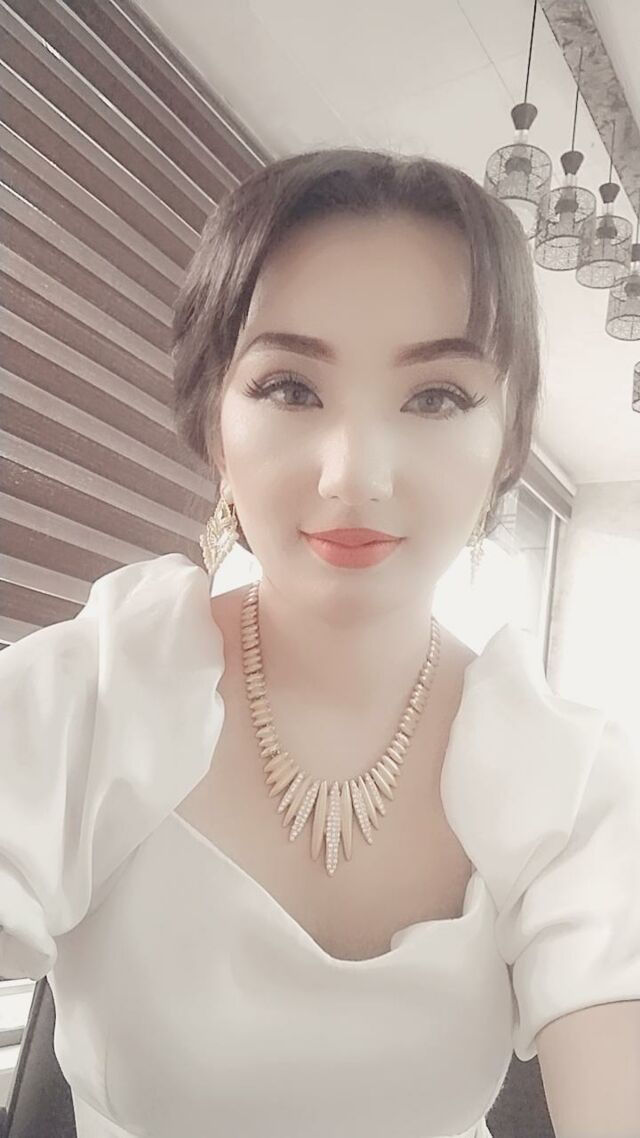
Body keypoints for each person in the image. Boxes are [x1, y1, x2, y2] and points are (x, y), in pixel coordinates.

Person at [1, 148, 639, 1138]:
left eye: (436, 397)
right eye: (292, 388)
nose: (355, 475)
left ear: (506, 441)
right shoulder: (93, 691)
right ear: (216, 424)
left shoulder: (574, 781)